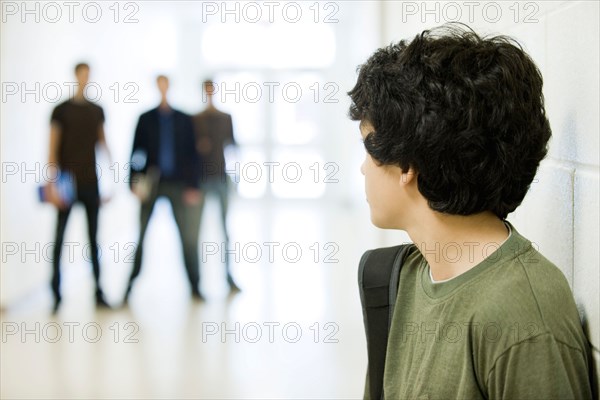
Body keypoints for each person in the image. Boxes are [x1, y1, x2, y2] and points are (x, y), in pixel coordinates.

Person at [348, 24, 594, 399]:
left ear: (406, 165)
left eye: (368, 146)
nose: (363, 168)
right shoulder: (397, 277)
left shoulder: (524, 318)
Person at [125, 75, 203, 303]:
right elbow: (135, 154)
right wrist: (134, 182)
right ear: (156, 87)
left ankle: (195, 287)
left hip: (179, 185)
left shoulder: (184, 119)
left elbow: (193, 155)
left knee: (188, 238)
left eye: (165, 84)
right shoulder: (146, 118)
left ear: (169, 86)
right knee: (140, 236)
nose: (163, 88)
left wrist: (193, 186)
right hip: (152, 184)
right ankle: (128, 287)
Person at [47, 62, 111, 313]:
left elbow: (104, 146)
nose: (85, 79)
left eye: (88, 75)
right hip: (65, 183)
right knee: (59, 238)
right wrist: (51, 184)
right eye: (81, 75)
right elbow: (52, 147)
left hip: (90, 182)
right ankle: (56, 295)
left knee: (94, 239)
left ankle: (98, 292)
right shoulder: (61, 111)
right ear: (75, 76)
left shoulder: (97, 111)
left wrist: (111, 181)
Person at [192, 79, 240, 292]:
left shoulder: (225, 118)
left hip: (220, 177)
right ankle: (197, 283)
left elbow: (233, 146)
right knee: (196, 232)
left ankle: (228, 278)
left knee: (225, 231)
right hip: (201, 179)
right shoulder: (195, 119)